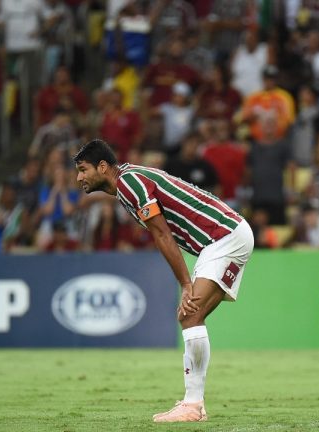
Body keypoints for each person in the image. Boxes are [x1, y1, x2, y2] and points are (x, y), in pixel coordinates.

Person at [73, 139, 254, 422]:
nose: (79, 178)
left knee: (190, 314)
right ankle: (195, 402)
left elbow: (162, 234)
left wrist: (185, 284)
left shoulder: (128, 183)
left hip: (223, 237)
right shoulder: (130, 181)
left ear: (103, 166)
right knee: (191, 316)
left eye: (83, 170)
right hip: (227, 236)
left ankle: (192, 406)